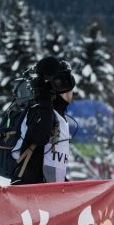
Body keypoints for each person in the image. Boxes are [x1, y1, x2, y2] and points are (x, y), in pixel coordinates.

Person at [11, 56, 76, 185]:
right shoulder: (39, 111)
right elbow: (40, 137)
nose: (71, 91)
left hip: (46, 194)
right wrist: (44, 98)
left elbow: (53, 163)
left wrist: (65, 186)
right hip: (28, 193)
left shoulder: (58, 117)